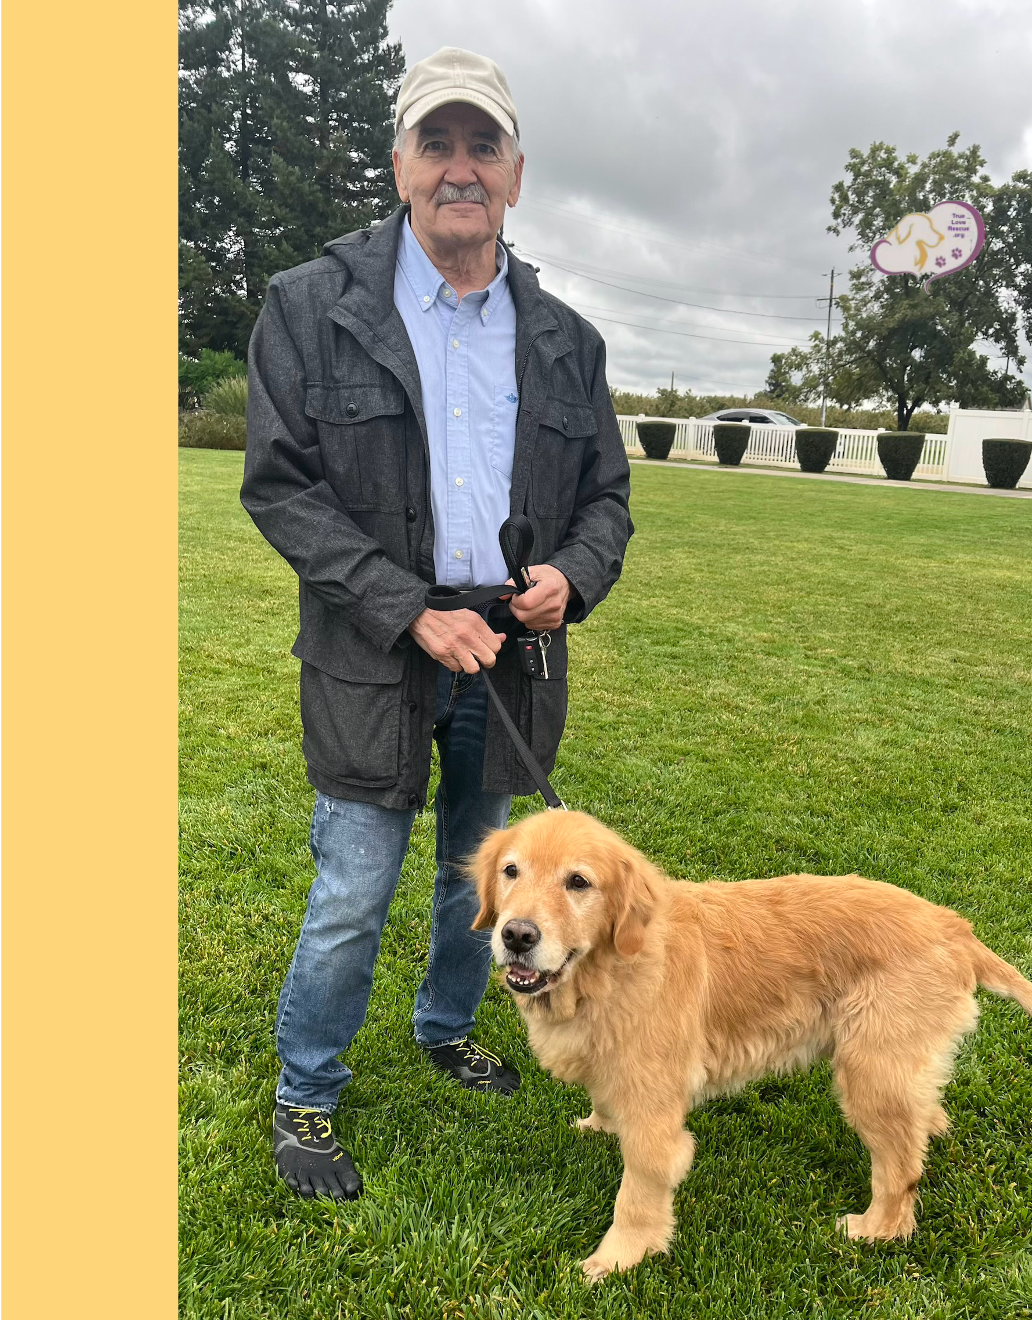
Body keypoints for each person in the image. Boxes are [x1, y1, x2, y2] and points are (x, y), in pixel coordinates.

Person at [240, 45, 633, 1201]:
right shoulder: (310, 307)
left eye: (483, 146)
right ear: (401, 163)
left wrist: (572, 575)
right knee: (353, 888)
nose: (461, 167)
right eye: (437, 142)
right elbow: (281, 487)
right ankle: (306, 1091)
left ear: (516, 173)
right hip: (373, 646)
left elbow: (608, 498)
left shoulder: (564, 338)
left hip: (511, 653)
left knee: (490, 876)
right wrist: (407, 606)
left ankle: (446, 1026)